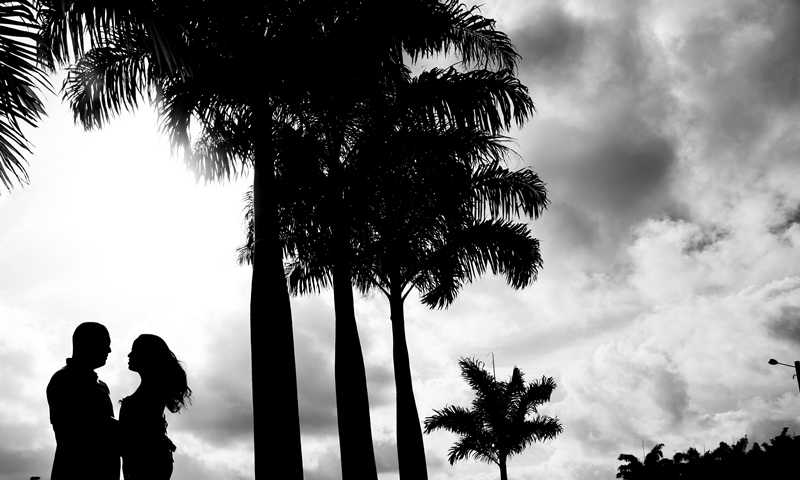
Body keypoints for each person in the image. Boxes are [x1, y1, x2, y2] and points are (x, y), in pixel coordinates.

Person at [47, 321, 120, 480]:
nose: (109, 350)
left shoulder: (101, 386)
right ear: (87, 344)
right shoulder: (64, 380)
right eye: (104, 344)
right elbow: (81, 428)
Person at [120, 334, 192, 480]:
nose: (129, 354)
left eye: (134, 351)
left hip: (146, 465)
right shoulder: (154, 390)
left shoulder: (150, 392)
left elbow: (138, 436)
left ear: (146, 356)